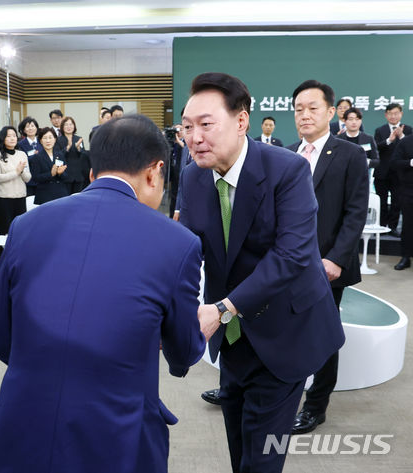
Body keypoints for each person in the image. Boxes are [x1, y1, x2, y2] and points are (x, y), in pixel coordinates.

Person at [0, 114, 206, 473]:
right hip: (117, 436)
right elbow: (184, 350)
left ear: (91, 172)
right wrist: (198, 327)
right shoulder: (178, 242)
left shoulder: (25, 226)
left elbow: (3, 339)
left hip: (23, 423)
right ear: (155, 171)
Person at [179, 72, 344, 473]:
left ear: (241, 121)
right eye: (186, 127)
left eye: (205, 124)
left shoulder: (286, 170)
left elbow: (291, 256)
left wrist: (221, 309)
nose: (194, 137)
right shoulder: (191, 175)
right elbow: (186, 249)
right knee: (238, 441)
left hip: (285, 329)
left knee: (262, 458)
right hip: (233, 337)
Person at [285, 80, 369, 435]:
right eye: (299, 109)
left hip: (327, 266)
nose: (304, 115)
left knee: (322, 334)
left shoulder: (349, 154)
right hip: (286, 264)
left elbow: (355, 213)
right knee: (285, 332)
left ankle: (316, 407)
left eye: (312, 108)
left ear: (331, 112)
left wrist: (335, 259)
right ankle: (281, 398)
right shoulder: (287, 154)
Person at [374, 103, 412, 237]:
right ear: (386, 115)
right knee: (382, 202)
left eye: (396, 113)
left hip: (400, 174)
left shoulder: (408, 130)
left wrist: (402, 137)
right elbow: (376, 148)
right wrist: (389, 140)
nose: (393, 116)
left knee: (397, 202)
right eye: (390, 113)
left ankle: (393, 227)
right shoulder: (380, 130)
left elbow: (409, 150)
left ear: (401, 114)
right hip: (382, 173)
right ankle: (381, 226)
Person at [0, 126, 31, 235]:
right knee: (5, 232)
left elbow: (28, 178)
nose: (12, 138)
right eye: (8, 136)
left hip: (20, 197)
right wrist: (16, 172)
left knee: (20, 231)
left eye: (14, 136)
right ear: (3, 138)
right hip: (4, 199)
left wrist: (22, 171)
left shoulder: (22, 154)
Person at [29, 127, 70, 205]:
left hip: (60, 194)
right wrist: (50, 174)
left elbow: (66, 176)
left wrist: (61, 173)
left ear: (55, 139)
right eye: (45, 138)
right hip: (45, 196)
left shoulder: (60, 155)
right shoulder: (37, 157)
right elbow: (35, 178)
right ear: (40, 140)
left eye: (50, 138)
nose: (48, 141)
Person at [391, 133, 413, 270]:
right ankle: (406, 257)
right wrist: (410, 162)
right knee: (408, 226)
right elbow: (394, 163)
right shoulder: (405, 142)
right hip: (409, 191)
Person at [56, 116, 89, 193]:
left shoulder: (78, 139)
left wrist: (78, 149)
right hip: (65, 175)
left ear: (74, 126)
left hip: (78, 175)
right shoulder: (58, 140)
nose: (69, 127)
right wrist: (67, 148)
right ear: (62, 127)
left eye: (71, 124)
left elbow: (84, 156)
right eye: (66, 125)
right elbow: (58, 156)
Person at [16, 116, 43, 196]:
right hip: (28, 181)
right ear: (24, 130)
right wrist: (34, 156)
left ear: (36, 128)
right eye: (27, 126)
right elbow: (21, 161)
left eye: (32, 126)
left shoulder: (42, 141)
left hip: (42, 179)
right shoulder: (20, 144)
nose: (30, 128)